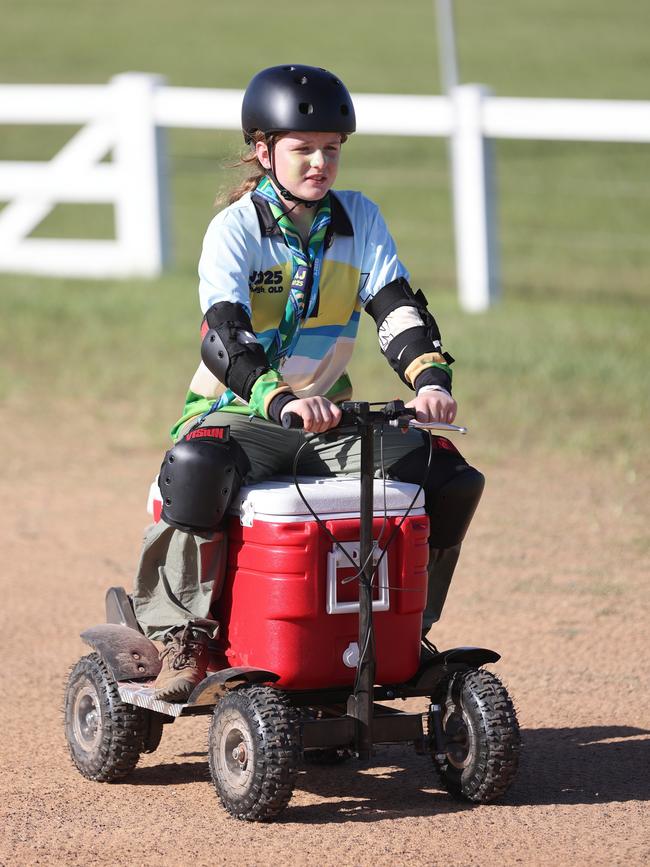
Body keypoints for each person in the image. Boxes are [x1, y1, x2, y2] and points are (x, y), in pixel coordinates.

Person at [132, 64, 484, 702]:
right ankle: (177, 634)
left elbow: (396, 309)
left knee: (448, 474)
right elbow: (223, 336)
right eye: (303, 150)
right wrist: (282, 399)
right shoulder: (235, 229)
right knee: (196, 463)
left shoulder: (361, 220)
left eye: (331, 149)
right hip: (240, 413)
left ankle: (407, 626)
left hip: (327, 420)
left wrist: (430, 378)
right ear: (264, 151)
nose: (319, 163)